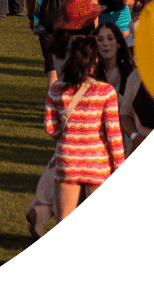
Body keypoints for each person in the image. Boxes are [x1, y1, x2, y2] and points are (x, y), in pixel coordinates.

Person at [44, 33, 125, 220]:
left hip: (68, 160)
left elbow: (51, 128)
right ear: (95, 60)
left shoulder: (56, 89)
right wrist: (119, 164)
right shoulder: (106, 92)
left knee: (64, 217)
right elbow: (114, 135)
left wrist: (67, 133)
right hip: (98, 162)